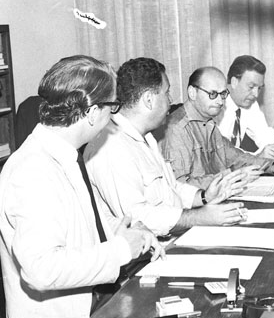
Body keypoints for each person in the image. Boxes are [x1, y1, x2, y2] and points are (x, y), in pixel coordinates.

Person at [0, 55, 163, 318]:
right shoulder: (33, 171)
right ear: (91, 113)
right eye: (112, 107)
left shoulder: (62, 154)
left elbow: (81, 223)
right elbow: (42, 270)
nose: (114, 117)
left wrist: (130, 232)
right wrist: (121, 250)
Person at [86, 58, 251, 237]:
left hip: (169, 237)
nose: (170, 100)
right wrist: (200, 217)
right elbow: (137, 218)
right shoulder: (111, 147)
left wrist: (204, 196)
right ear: (149, 99)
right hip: (146, 249)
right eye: (166, 93)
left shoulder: (146, 138)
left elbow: (171, 189)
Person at [160, 65, 274, 188]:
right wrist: (233, 176)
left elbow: (236, 158)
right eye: (213, 94)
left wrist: (270, 167)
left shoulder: (208, 123)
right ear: (192, 92)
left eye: (223, 94)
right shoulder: (176, 128)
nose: (220, 101)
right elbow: (180, 185)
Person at [218, 55, 274, 159]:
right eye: (251, 87)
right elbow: (222, 155)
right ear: (234, 82)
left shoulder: (249, 103)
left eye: (259, 88)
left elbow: (265, 136)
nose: (256, 94)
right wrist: (257, 157)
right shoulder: (215, 106)